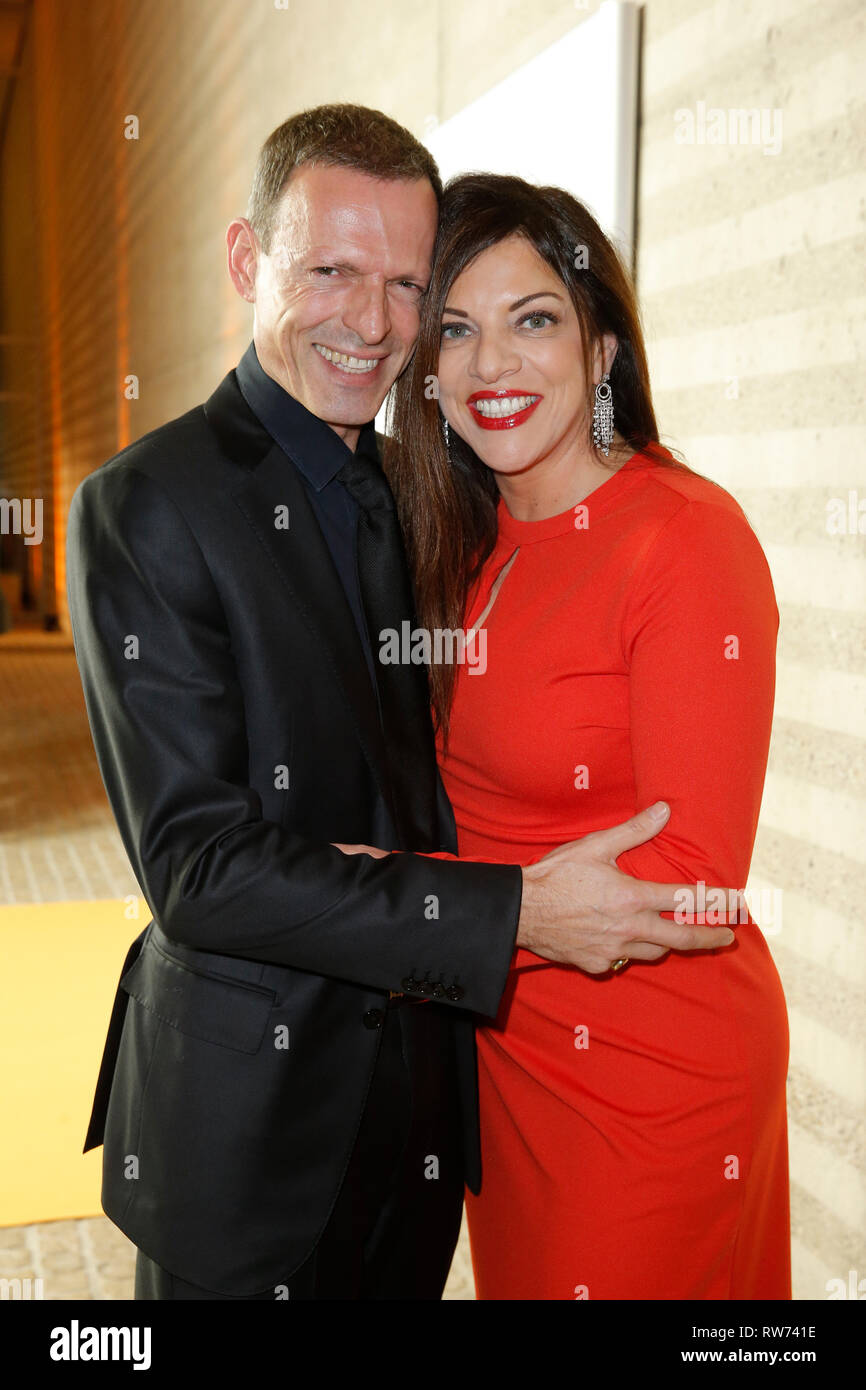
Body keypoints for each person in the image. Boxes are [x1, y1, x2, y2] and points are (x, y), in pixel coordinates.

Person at [66, 107, 737, 1302]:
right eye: (328, 270)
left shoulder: (418, 496)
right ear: (245, 262)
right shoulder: (145, 503)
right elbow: (201, 869)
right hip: (250, 1140)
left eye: (403, 285)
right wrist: (511, 913)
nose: (369, 323)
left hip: (426, 1121)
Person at [381, 172, 791, 1299]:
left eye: (532, 320)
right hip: (505, 1059)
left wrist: (400, 911)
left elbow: (688, 878)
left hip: (650, 1074)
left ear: (601, 346)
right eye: (455, 329)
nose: (490, 366)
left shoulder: (682, 540)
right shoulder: (456, 542)